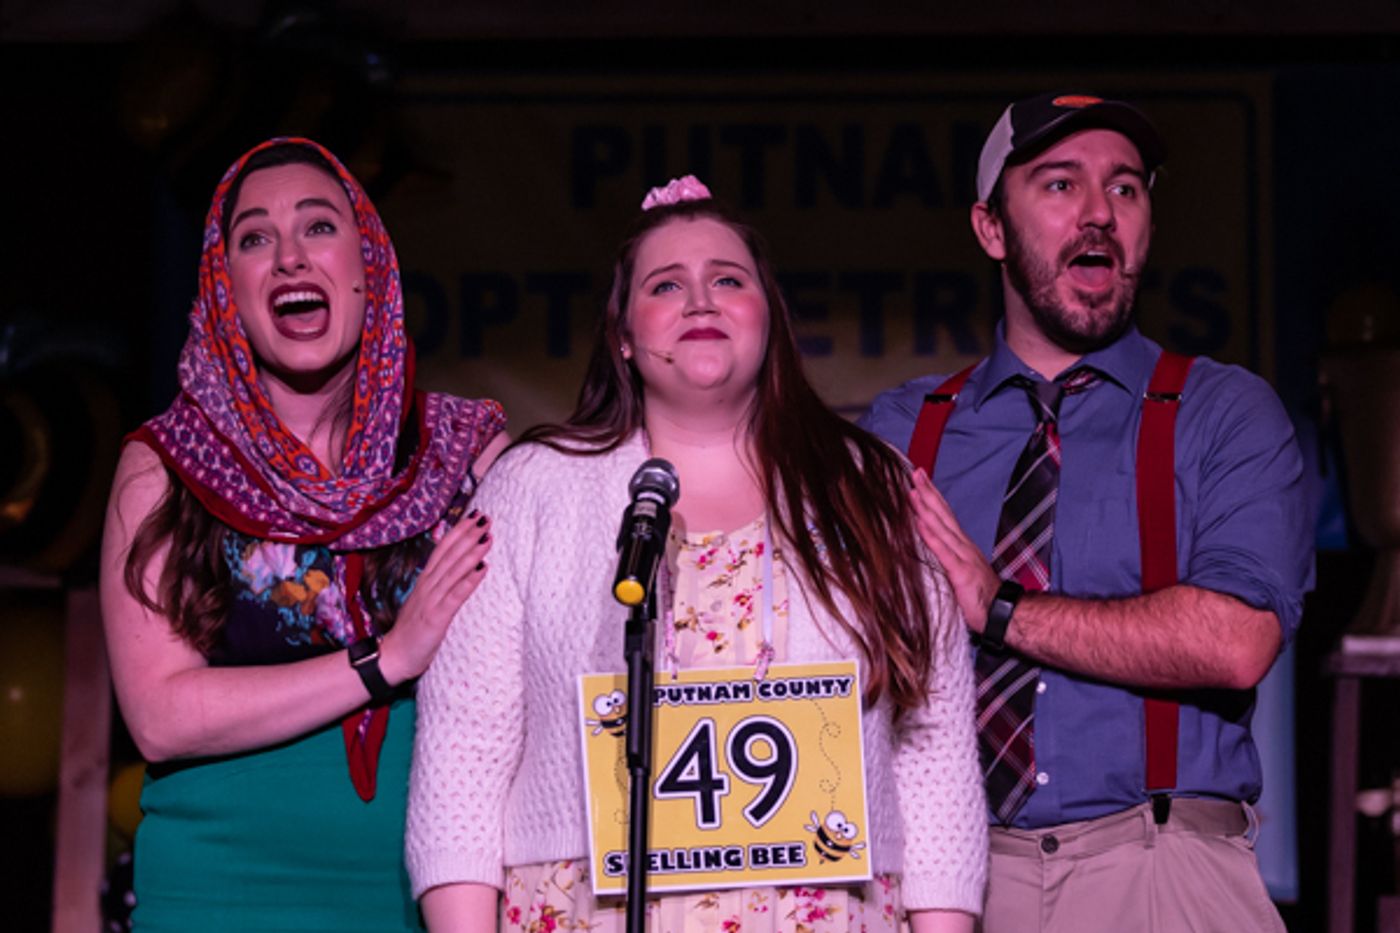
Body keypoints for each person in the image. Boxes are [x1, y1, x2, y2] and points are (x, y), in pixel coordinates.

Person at [405, 176, 987, 931]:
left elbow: (933, 744)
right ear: (622, 333)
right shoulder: (531, 488)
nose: (700, 301)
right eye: (666, 285)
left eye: (728, 280)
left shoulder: (868, 487)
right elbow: (465, 745)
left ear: (769, 319)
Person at [859, 93, 1313, 932]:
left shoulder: (1223, 410)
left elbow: (1236, 640)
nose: (1100, 213)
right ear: (991, 230)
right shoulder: (903, 430)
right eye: (1060, 185)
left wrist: (998, 606)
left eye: (1127, 189)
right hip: (949, 882)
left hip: (1163, 864)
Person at [99, 137, 508, 931]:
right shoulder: (166, 467)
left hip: (437, 892)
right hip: (224, 891)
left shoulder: (467, 453)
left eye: (318, 227)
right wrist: (386, 658)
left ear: (369, 265)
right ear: (227, 286)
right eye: (254, 238)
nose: (288, 257)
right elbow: (159, 713)